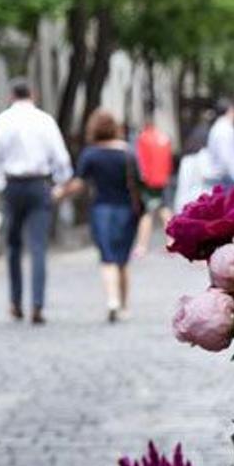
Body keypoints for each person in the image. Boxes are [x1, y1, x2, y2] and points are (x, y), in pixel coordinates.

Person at [0, 78, 71, 324]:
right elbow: (60, 158)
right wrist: (61, 184)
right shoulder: (45, 120)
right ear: (33, 94)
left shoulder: (2, 121)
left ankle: (15, 302)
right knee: (38, 247)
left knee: (13, 246)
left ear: (11, 96)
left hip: (12, 186)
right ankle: (37, 304)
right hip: (39, 184)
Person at [67, 109, 141, 322]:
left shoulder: (90, 154)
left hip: (101, 210)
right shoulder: (127, 152)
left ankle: (112, 300)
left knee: (107, 258)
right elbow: (139, 181)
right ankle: (125, 305)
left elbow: (79, 184)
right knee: (123, 260)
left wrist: (60, 193)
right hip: (126, 210)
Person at [133, 116, 174, 255]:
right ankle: (171, 241)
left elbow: (140, 160)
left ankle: (142, 246)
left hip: (149, 181)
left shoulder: (143, 138)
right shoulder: (164, 137)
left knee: (147, 213)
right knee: (165, 210)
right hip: (164, 179)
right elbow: (169, 159)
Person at [205, 98, 234, 187]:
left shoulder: (218, 127)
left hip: (222, 176)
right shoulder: (225, 128)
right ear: (230, 110)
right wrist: (233, 172)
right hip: (226, 177)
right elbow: (225, 155)